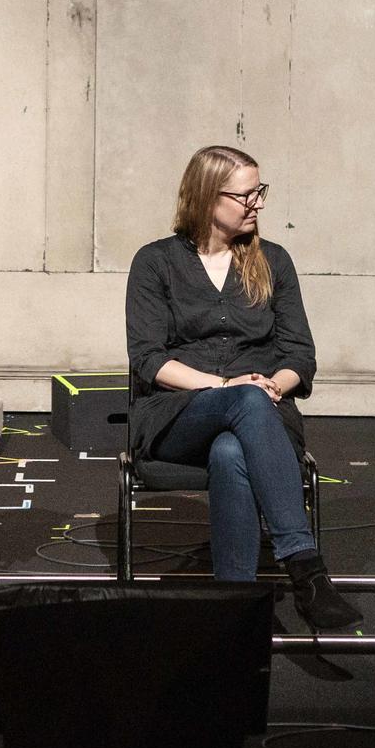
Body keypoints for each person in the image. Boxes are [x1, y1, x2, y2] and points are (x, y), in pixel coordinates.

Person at [123, 145, 357, 629]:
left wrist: (273, 385)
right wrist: (227, 385)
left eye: (260, 192)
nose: (258, 203)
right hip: (177, 414)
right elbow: (148, 359)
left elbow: (300, 356)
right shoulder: (155, 262)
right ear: (209, 197)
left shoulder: (274, 261)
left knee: (232, 451)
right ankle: (304, 566)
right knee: (243, 402)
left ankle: (236, 603)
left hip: (264, 415)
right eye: (247, 194)